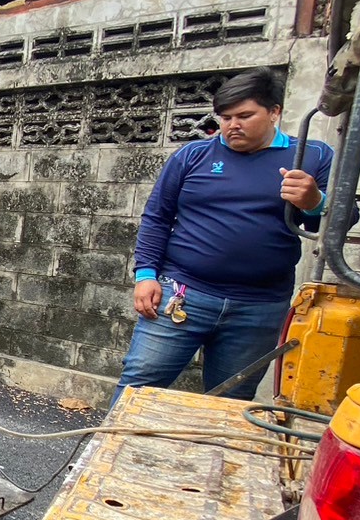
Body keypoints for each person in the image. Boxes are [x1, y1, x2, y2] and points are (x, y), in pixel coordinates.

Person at [115, 66, 335, 401]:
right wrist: (146, 274)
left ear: (274, 112)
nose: (232, 125)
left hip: (259, 307)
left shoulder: (311, 156)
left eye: (245, 115)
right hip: (184, 294)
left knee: (231, 397)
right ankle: (110, 453)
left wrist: (314, 202)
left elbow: (340, 223)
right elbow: (157, 217)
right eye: (225, 117)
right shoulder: (193, 156)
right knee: (138, 387)